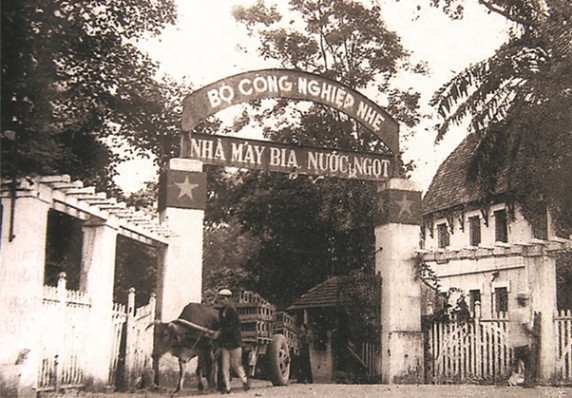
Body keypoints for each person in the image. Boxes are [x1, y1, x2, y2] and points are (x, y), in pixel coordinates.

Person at [213, 288, 250, 394]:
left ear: (229, 299)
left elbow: (230, 327)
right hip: (225, 343)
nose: (222, 301)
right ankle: (227, 388)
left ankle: (244, 381)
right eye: (221, 298)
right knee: (225, 366)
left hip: (235, 342)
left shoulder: (233, 311)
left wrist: (219, 333)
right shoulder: (221, 312)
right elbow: (221, 325)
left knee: (236, 365)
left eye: (224, 298)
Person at [508, 292, 537, 387]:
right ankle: (527, 382)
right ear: (521, 301)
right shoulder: (522, 313)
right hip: (523, 341)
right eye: (525, 300)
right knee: (528, 362)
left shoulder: (513, 312)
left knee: (516, 362)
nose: (526, 302)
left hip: (514, 341)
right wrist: (535, 334)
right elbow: (526, 327)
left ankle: (512, 379)